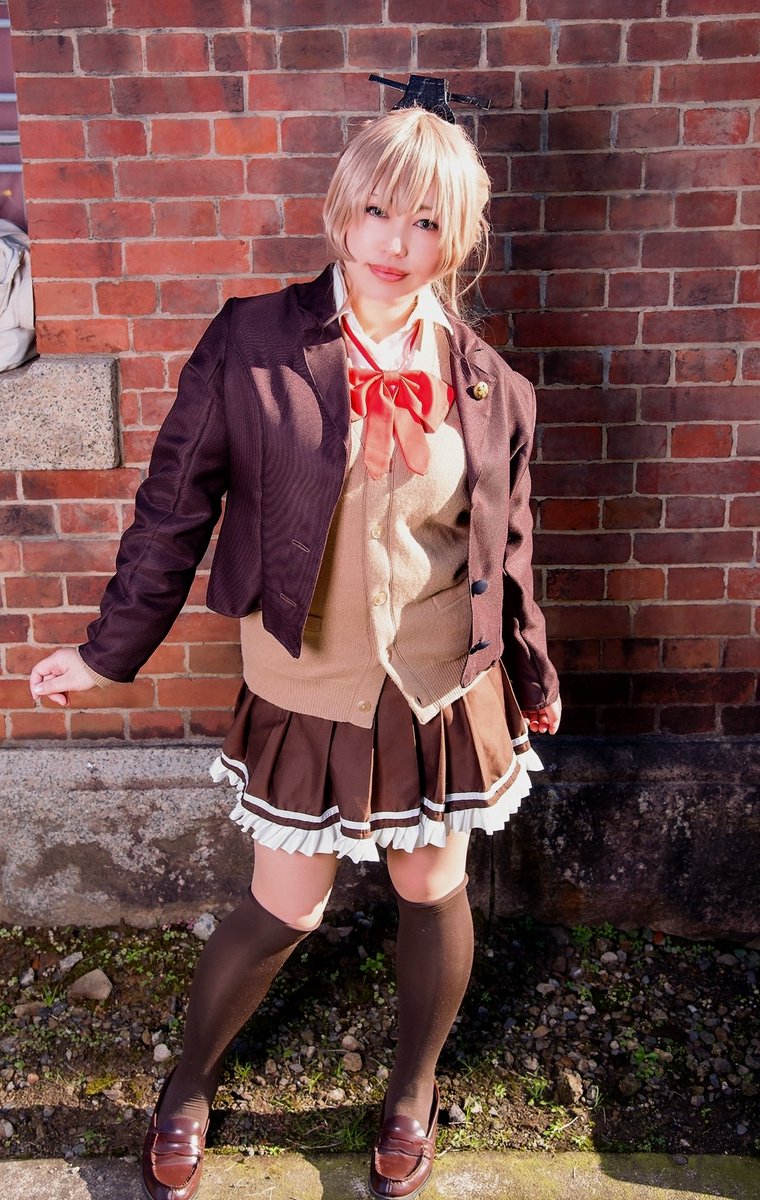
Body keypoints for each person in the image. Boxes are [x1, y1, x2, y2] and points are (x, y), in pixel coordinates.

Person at [29, 98, 561, 1200]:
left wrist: (530, 672)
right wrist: (107, 654)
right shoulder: (253, 342)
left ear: (457, 237)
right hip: (306, 680)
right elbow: (173, 508)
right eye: (377, 212)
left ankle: (411, 1094)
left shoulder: (486, 382)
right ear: (340, 210)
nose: (394, 242)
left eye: (425, 222)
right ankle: (186, 1088)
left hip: (439, 684)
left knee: (431, 884)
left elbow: (505, 548)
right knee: (289, 904)